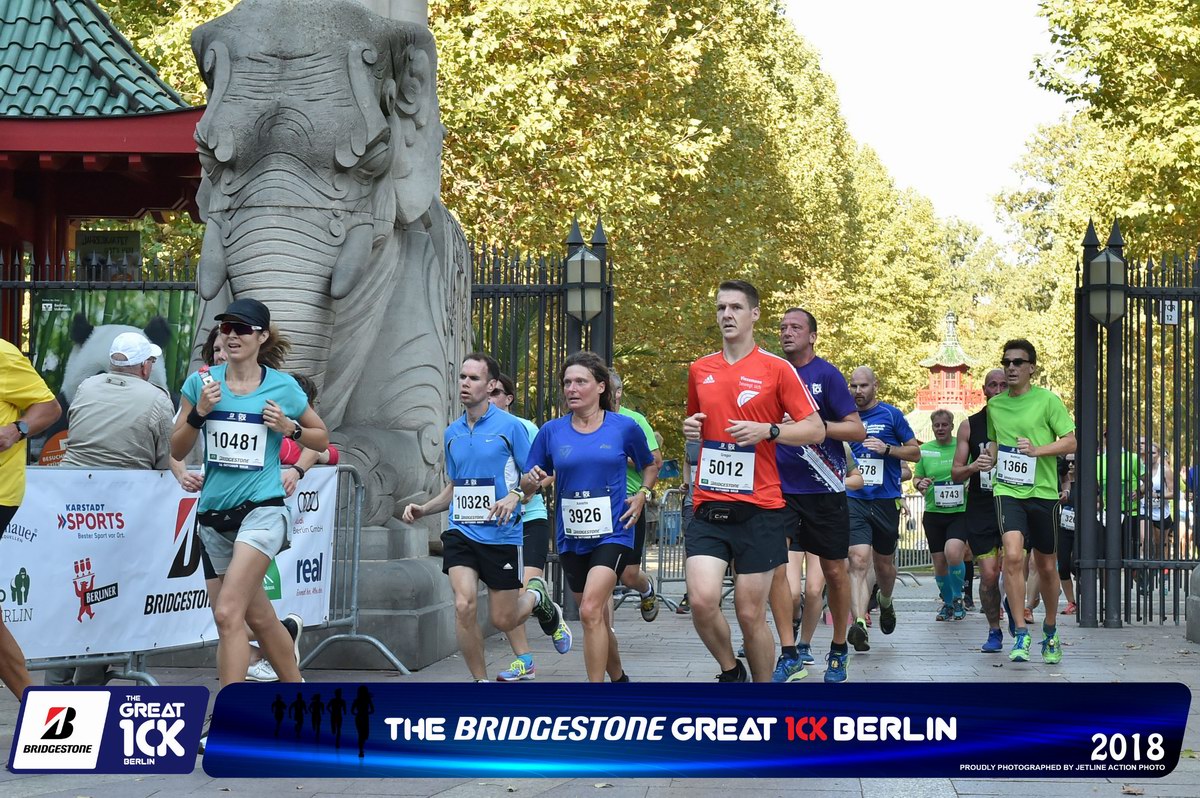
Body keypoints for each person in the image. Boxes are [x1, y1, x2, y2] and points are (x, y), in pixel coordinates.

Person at [171, 298, 328, 693]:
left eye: (242, 328)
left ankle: (228, 718)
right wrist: (198, 414)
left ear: (262, 336)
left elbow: (321, 437)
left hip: (263, 509)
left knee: (227, 614)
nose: (232, 335)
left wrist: (290, 428)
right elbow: (176, 449)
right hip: (213, 517)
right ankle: (299, 698)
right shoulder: (201, 383)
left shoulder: (282, 386)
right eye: (226, 328)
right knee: (259, 619)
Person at [682, 280, 824, 683]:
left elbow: (814, 429)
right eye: (721, 308)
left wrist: (770, 432)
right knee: (703, 601)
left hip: (761, 508)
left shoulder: (777, 369)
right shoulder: (700, 369)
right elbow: (697, 423)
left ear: (754, 315)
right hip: (709, 504)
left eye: (736, 308)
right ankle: (731, 671)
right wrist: (690, 428)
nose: (726, 315)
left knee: (749, 613)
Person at [403, 354, 572, 682]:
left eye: (474, 378)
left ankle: (536, 597)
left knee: (503, 619)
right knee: (464, 605)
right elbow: (455, 486)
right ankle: (480, 684)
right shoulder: (452, 432)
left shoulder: (512, 428)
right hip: (462, 531)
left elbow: (535, 474)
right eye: (463, 377)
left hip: (502, 535)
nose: (465, 383)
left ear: (492, 384)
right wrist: (425, 508)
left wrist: (515, 495)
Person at [48, 331, 175, 687]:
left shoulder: (86, 387)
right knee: (105, 595)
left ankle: (55, 680)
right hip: (119, 513)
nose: (152, 365)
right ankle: (89, 680)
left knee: (70, 594)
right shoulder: (157, 399)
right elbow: (165, 459)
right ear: (142, 366)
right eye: (150, 360)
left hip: (71, 506)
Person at [522, 351, 658, 682]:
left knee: (588, 610)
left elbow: (650, 464)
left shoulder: (624, 427)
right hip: (572, 535)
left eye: (580, 381)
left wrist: (643, 494)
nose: (572, 388)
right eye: (567, 382)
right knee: (592, 616)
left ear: (600, 387)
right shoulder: (551, 432)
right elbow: (533, 478)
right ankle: (620, 680)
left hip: (615, 530)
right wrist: (527, 484)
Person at [772, 307, 864, 683]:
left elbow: (856, 431)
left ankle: (839, 649)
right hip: (779, 490)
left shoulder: (826, 375)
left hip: (824, 488)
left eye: (796, 327)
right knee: (777, 573)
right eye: (782, 327)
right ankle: (789, 651)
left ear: (812, 336)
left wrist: (815, 426)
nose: (787, 332)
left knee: (834, 573)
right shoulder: (771, 373)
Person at [987, 339, 1076, 664]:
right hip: (1008, 490)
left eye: (1017, 362)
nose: (1011, 367)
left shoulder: (1048, 401)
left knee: (1047, 565)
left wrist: (1038, 450)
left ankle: (1050, 630)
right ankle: (1021, 632)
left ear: (1031, 368)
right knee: (1012, 556)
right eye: (1007, 361)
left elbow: (1071, 441)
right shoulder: (996, 406)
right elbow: (995, 444)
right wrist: (988, 458)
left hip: (1042, 494)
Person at [0, 338, 62, 699]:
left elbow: (50, 408)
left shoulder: (3, 355)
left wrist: (17, 429)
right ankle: (43, 712)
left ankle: (46, 717)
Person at [845, 366, 921, 652]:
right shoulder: (844, 418)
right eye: (853, 386)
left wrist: (888, 449)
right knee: (858, 560)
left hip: (885, 499)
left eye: (863, 386)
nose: (858, 392)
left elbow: (915, 452)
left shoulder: (891, 415)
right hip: (854, 499)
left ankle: (886, 602)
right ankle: (860, 622)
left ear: (875, 386)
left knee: (884, 565)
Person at [487, 373, 553, 682]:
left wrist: (522, 493)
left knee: (524, 591)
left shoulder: (525, 428)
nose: (490, 397)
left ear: (508, 398)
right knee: (507, 597)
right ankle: (524, 660)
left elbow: (547, 474)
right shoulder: (474, 430)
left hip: (530, 518)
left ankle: (542, 602)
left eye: (496, 392)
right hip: (496, 526)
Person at [952, 368, 1007, 651]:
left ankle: (1016, 611)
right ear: (984, 390)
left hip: (1013, 502)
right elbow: (956, 472)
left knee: (1014, 567)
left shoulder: (1021, 421)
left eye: (1002, 385)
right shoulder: (970, 425)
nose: (998, 389)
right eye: (992, 385)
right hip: (982, 505)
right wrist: (976, 465)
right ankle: (994, 630)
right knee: (988, 574)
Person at [610, 370, 664, 621]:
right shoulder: (585, 421)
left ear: (618, 392)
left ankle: (646, 588)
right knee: (602, 571)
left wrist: (621, 456)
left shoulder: (634, 421)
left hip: (630, 502)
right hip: (598, 502)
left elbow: (656, 461)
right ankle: (602, 631)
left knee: (628, 574)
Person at [912, 408, 969, 622]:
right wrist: (921, 484)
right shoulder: (925, 450)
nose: (940, 429)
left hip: (958, 511)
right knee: (939, 562)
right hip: (934, 513)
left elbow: (971, 470)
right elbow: (917, 478)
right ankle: (947, 604)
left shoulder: (962, 446)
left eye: (944, 425)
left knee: (953, 552)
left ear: (952, 426)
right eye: (937, 425)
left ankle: (958, 598)